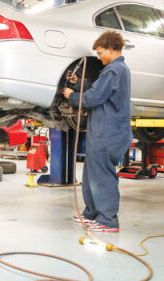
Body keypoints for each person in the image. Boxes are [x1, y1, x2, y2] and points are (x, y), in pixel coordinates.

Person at [62, 30, 132, 232]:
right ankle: (92, 213)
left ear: (111, 49)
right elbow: (98, 89)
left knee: (102, 175)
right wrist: (79, 84)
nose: (99, 56)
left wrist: (71, 96)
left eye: (101, 52)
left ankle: (108, 220)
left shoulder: (114, 71)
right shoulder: (114, 71)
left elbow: (93, 98)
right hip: (103, 131)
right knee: (92, 174)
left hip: (109, 133)